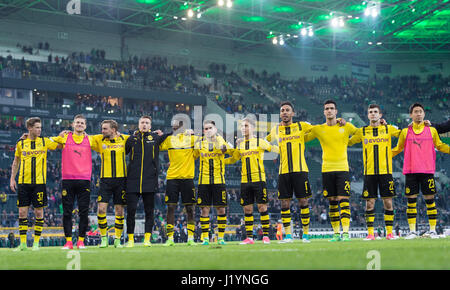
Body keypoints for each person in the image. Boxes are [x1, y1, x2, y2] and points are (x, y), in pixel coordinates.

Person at [392, 103, 449, 239]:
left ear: (424, 114)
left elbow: (440, 145)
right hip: (411, 171)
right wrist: (385, 155)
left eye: (421, 111)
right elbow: (398, 148)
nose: (418, 114)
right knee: (411, 202)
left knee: (430, 201)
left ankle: (433, 230)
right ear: (411, 115)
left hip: (427, 171)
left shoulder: (432, 130)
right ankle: (412, 231)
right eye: (415, 111)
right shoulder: (405, 132)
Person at [305, 100, 358, 242]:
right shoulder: (318, 129)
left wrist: (381, 124)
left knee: (344, 200)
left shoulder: (346, 127)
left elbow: (361, 133)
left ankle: (346, 233)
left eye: (331, 108)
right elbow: (302, 138)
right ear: (324, 112)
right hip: (327, 169)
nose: (329, 110)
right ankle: (336, 234)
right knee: (332, 202)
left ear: (336, 111)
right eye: (327, 108)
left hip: (342, 169)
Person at [348, 104, 401, 240]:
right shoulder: (363, 131)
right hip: (369, 173)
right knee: (369, 203)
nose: (373, 114)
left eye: (375, 112)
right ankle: (370, 233)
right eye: (370, 112)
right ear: (367, 115)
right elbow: (348, 142)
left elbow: (403, 135)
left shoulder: (388, 129)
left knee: (388, 203)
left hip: (386, 172)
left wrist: (393, 152)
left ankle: (389, 233)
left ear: (380, 115)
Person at [265, 101, 315, 243]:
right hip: (284, 172)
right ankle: (288, 236)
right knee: (284, 204)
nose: (285, 112)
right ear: (280, 114)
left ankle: (305, 235)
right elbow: (263, 142)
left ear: (293, 113)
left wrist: (338, 122)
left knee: (303, 201)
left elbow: (320, 130)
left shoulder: (301, 126)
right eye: (282, 110)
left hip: (300, 170)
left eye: (287, 110)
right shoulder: (276, 130)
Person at [9, 117, 60, 251]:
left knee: (39, 213)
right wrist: (12, 179)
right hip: (24, 183)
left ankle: (36, 243)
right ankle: (23, 243)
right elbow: (16, 162)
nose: (39, 130)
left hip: (39, 183)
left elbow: (59, 143)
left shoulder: (44, 141)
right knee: (22, 213)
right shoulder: (21, 143)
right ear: (29, 128)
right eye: (37, 127)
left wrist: (65, 135)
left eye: (40, 127)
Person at [226, 117, 278, 244]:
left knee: (262, 207)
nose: (243, 128)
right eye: (242, 126)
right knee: (247, 209)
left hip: (259, 179)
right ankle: (249, 237)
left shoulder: (260, 142)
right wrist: (221, 161)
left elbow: (274, 149)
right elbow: (233, 159)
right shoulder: (240, 144)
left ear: (253, 128)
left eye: (246, 126)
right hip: (245, 181)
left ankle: (266, 236)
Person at [51, 114, 98, 249]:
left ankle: (81, 241)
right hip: (68, 180)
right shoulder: (65, 137)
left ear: (85, 126)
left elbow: (106, 142)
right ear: (72, 124)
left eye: (82, 123)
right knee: (67, 212)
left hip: (84, 180)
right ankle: (68, 242)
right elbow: (49, 143)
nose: (79, 125)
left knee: (84, 212)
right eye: (77, 122)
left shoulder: (90, 139)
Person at [125, 115, 171, 247]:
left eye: (147, 123)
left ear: (150, 126)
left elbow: (170, 135)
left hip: (149, 181)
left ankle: (147, 239)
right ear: (138, 125)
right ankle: (130, 240)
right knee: (131, 212)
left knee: (149, 211)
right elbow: (125, 151)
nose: (144, 125)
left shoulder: (156, 138)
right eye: (142, 122)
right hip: (132, 181)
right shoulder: (132, 139)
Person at [90, 120, 130, 248]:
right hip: (105, 180)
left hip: (121, 180)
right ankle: (103, 238)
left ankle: (118, 239)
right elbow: (82, 137)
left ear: (113, 130)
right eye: (102, 128)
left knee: (119, 211)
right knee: (101, 209)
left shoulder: (124, 138)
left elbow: (140, 138)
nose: (102, 131)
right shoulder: (99, 139)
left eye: (105, 129)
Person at [159, 118, 197, 246]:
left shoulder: (192, 139)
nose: (174, 127)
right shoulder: (169, 140)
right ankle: (170, 238)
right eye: (173, 126)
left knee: (190, 209)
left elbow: (204, 142)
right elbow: (157, 145)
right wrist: (159, 135)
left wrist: (194, 133)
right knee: (170, 207)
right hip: (172, 178)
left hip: (187, 177)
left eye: (176, 125)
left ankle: (191, 238)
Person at [194, 120, 233, 246]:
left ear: (215, 129)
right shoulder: (199, 143)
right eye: (206, 128)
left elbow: (224, 149)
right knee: (204, 210)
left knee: (221, 209)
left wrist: (221, 144)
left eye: (210, 128)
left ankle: (220, 237)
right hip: (203, 181)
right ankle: (205, 238)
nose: (208, 130)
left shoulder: (220, 139)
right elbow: (193, 156)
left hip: (218, 180)